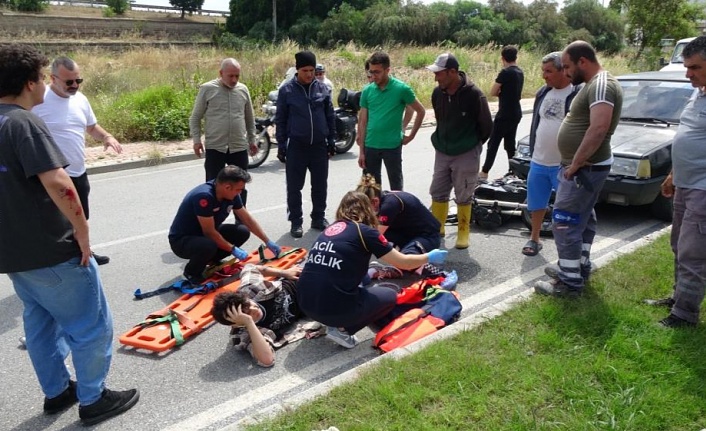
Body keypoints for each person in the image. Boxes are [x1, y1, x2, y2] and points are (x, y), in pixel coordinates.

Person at [0, 44, 139, 426]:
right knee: (91, 326)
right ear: (30, 83)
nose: (46, 83)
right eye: (43, 77)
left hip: (14, 254)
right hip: (50, 248)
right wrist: (82, 233)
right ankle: (94, 399)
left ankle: (58, 391)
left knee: (41, 323)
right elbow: (59, 181)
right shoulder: (24, 123)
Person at [296, 191, 448, 349]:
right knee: (390, 295)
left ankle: (329, 314)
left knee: (363, 279)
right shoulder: (366, 232)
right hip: (333, 310)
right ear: (367, 209)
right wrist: (428, 257)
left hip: (305, 303)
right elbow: (404, 263)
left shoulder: (329, 230)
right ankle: (342, 329)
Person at [534, 41, 623, 297]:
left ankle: (569, 282)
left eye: (568, 66)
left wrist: (574, 163)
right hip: (586, 168)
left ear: (582, 62)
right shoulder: (594, 85)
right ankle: (577, 266)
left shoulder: (601, 85)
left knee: (565, 222)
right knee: (584, 218)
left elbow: (599, 127)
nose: (567, 71)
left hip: (584, 169)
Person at [32, 56, 122, 266]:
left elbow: (91, 127)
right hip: (52, 175)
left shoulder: (80, 99)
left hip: (78, 171)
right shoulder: (38, 99)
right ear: (53, 78)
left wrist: (107, 137)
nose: (75, 86)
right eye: (69, 82)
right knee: (56, 223)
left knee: (81, 217)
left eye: (78, 81)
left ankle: (85, 252)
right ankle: (60, 262)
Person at [644, 36, 706, 328]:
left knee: (693, 253)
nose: (687, 73)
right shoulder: (699, 92)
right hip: (685, 184)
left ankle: (684, 315)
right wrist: (672, 176)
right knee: (679, 246)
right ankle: (678, 297)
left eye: (694, 67)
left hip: (703, 191)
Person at [168, 165, 281, 284]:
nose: (240, 192)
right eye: (239, 189)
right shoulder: (204, 197)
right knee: (209, 245)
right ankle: (191, 272)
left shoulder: (231, 194)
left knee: (241, 231)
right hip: (182, 241)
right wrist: (232, 249)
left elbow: (246, 219)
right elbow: (209, 232)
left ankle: (211, 260)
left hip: (205, 235)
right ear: (227, 187)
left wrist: (267, 241)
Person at [426, 52, 493, 250]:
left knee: (464, 192)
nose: (436, 77)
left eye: (439, 73)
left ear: (453, 72)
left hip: (466, 151)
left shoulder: (474, 94)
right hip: (442, 150)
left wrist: (472, 145)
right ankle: (438, 228)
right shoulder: (437, 93)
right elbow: (439, 119)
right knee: (437, 190)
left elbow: (486, 126)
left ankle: (463, 232)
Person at [521, 52, 581, 256]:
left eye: (549, 71)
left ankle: (571, 247)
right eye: (542, 71)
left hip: (563, 164)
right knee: (536, 204)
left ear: (563, 70)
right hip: (539, 160)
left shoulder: (576, 93)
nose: (544, 76)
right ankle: (534, 239)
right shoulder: (543, 92)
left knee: (569, 208)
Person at [275, 50, 337, 239]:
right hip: (297, 146)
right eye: (305, 70)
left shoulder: (322, 89)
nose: (309, 74)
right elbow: (281, 120)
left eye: (312, 70)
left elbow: (330, 116)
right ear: (297, 69)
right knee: (295, 187)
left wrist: (331, 140)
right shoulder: (286, 91)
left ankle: (318, 218)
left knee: (320, 185)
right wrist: (281, 145)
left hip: (318, 146)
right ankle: (296, 221)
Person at [189, 58, 258, 205]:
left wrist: (252, 140)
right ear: (221, 73)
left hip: (238, 146)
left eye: (237, 76)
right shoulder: (207, 89)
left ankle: (240, 223)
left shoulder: (243, 90)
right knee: (213, 187)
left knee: (240, 187)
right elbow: (195, 117)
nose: (234, 80)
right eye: (230, 76)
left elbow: (250, 118)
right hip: (216, 146)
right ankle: (212, 222)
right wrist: (196, 141)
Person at [357, 51, 426, 191]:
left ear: (387, 70)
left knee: (396, 187)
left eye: (377, 72)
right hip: (371, 146)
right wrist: (361, 151)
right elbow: (362, 122)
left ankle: (398, 212)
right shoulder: (367, 91)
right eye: (371, 72)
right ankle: (375, 213)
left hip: (392, 146)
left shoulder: (401, 89)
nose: (373, 76)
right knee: (370, 189)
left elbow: (420, 111)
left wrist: (411, 136)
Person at [211, 264, 303, 367]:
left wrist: (285, 272)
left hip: (300, 281)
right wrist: (249, 322)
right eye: (247, 313)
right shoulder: (244, 334)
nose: (254, 309)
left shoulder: (249, 290)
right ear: (236, 324)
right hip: (310, 305)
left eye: (249, 304)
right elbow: (267, 360)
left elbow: (249, 267)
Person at [480, 45, 524, 180]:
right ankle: (514, 171)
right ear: (516, 57)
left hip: (504, 112)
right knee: (510, 144)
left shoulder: (505, 73)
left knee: (493, 143)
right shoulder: (520, 72)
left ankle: (484, 172)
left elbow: (493, 91)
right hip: (516, 112)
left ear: (502, 58)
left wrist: (501, 93)